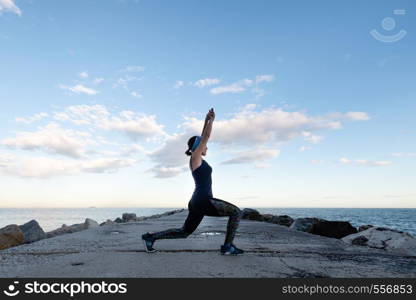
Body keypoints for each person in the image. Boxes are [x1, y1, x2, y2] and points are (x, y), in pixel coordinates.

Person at [142, 108, 244, 255]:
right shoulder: (195, 158)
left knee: (184, 232)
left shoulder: (197, 159)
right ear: (198, 147)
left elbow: (203, 137)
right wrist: (212, 121)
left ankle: (150, 238)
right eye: (203, 145)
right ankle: (228, 246)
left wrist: (206, 119)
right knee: (236, 212)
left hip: (197, 202)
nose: (207, 146)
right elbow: (206, 137)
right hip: (203, 200)